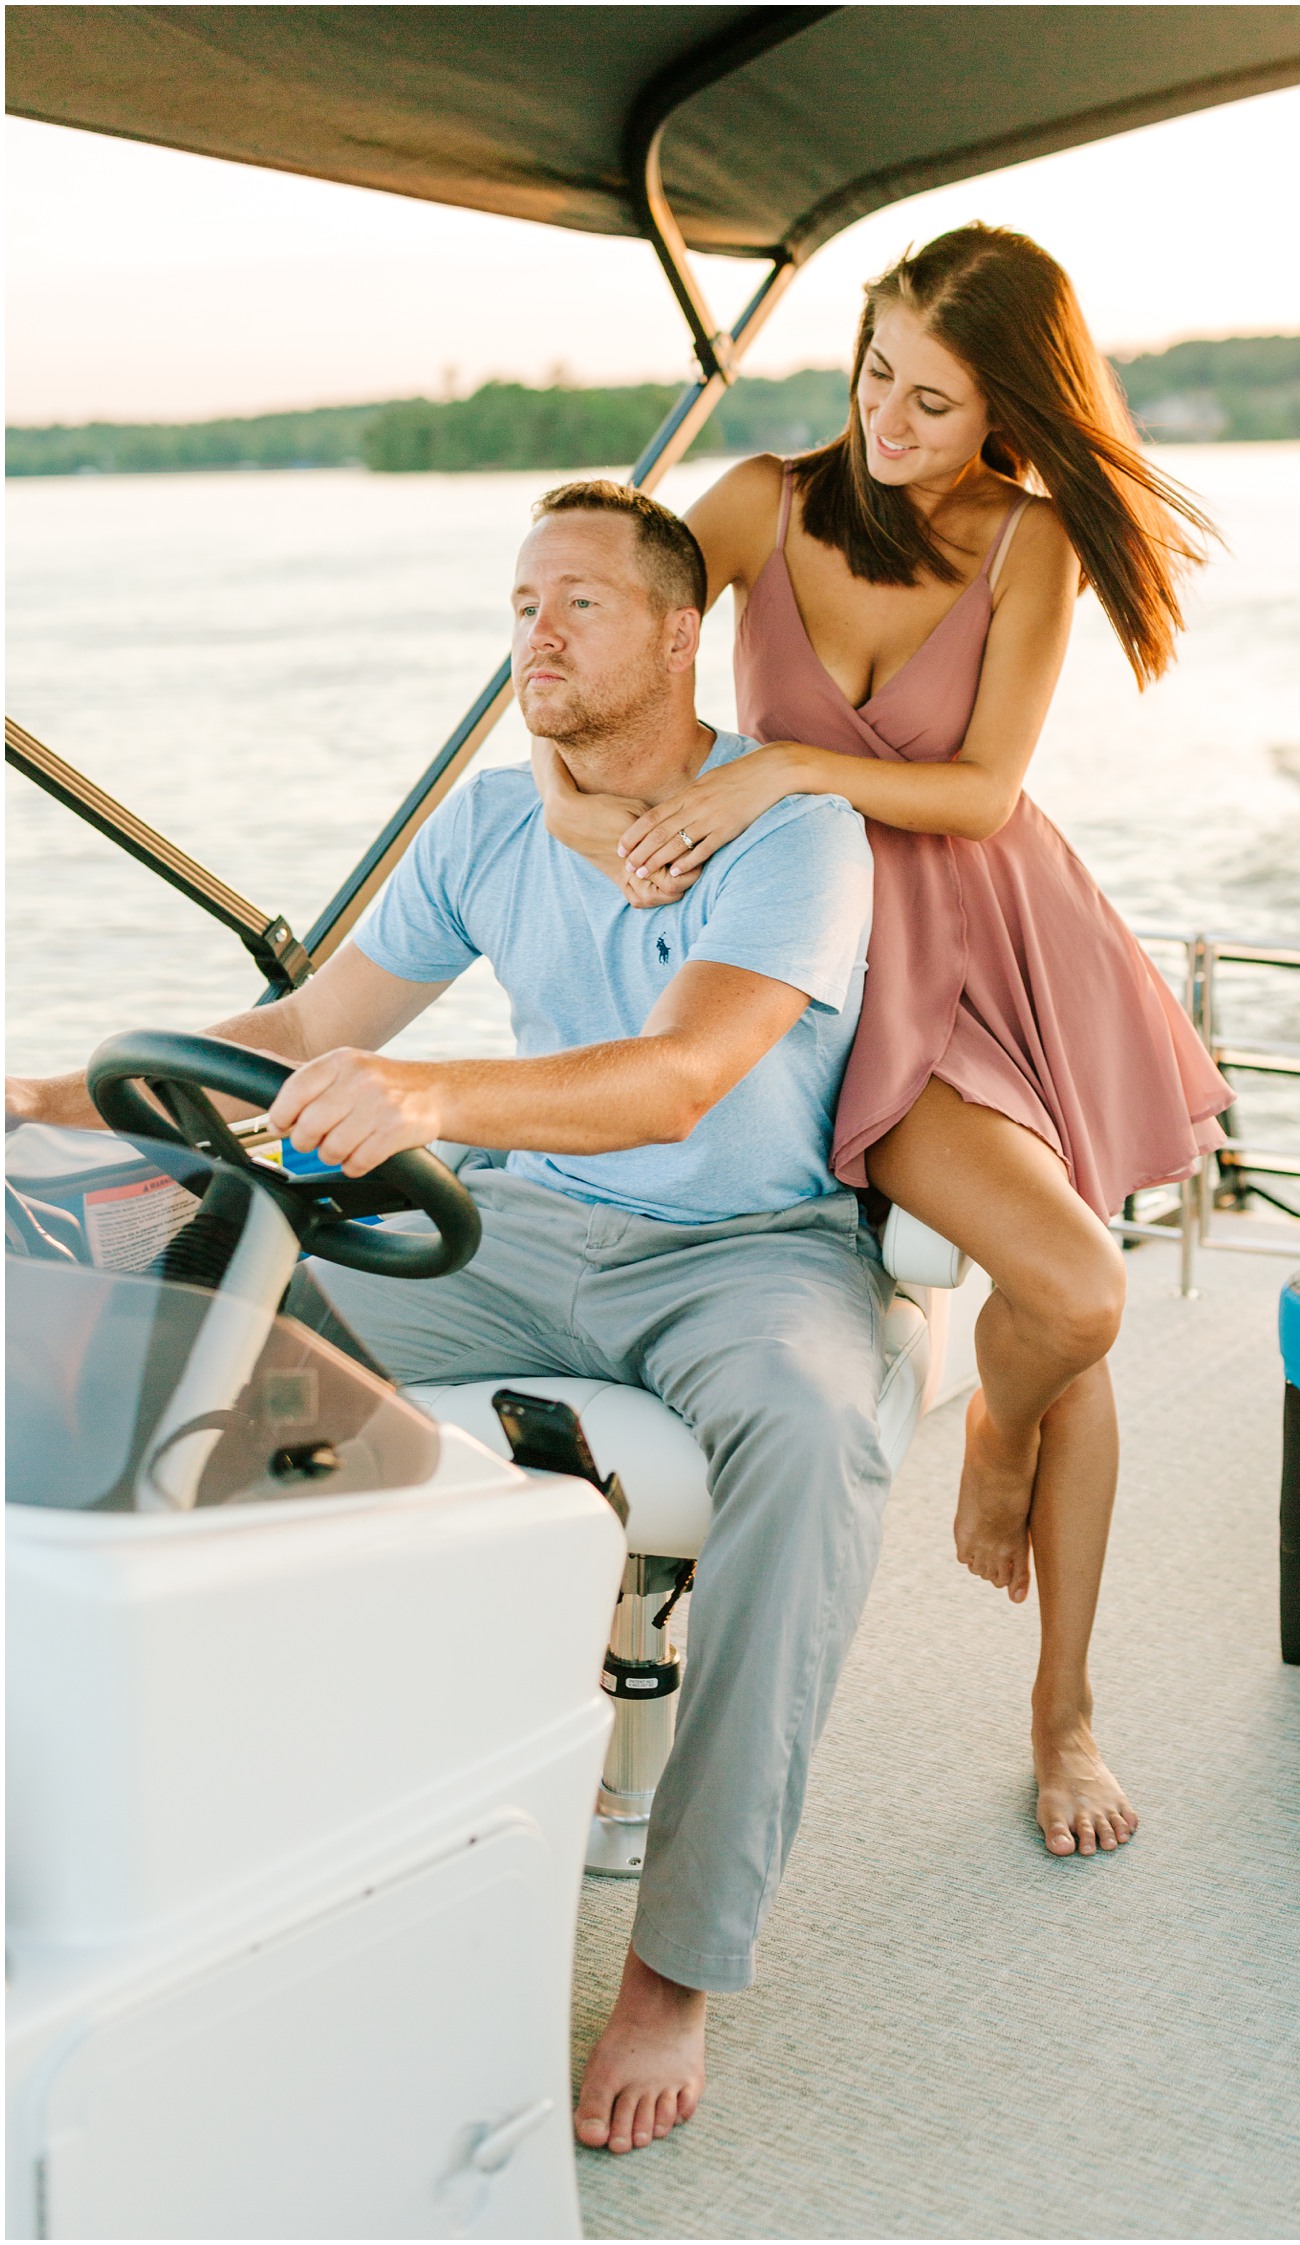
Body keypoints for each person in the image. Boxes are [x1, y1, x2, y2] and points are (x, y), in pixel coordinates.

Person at [5, 482, 887, 2158]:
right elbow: (313, 1021)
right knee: (217, 1336)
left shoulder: (792, 832)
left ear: (682, 628)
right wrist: (54, 1086)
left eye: (579, 605)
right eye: (519, 603)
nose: (535, 637)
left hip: (746, 1249)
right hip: (535, 1227)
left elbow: (679, 1076)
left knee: (817, 1430)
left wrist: (423, 1089)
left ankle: (676, 1966)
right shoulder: (488, 823)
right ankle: (193, 1795)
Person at [536, 224, 1234, 1861]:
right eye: (873, 375)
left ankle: (1047, 1642)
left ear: (1011, 410)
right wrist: (577, 801)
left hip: (987, 943)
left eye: (933, 399)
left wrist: (775, 768)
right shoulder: (762, 501)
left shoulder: (1032, 543)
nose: (889, 420)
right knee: (1069, 1297)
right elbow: (597, 634)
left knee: (1068, 1306)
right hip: (823, 957)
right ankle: (1011, 1469)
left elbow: (983, 791)